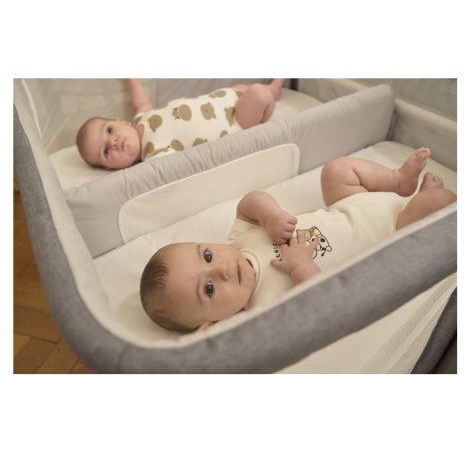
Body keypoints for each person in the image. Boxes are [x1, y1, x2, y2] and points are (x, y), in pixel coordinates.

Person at [140, 148, 457, 332]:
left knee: (335, 171)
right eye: (209, 289)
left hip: (350, 203)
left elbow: (248, 202)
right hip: (392, 232)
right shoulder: (265, 308)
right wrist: (300, 266)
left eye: (207, 256)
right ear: (213, 325)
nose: (221, 269)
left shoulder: (238, 241)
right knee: (441, 203)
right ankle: (420, 203)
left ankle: (397, 181)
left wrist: (270, 215)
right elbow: (326, 302)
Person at [76, 78, 285, 170]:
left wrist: (131, 77)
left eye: (109, 130)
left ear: (121, 121)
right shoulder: (154, 157)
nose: (112, 142)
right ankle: (273, 91)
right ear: (111, 169)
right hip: (237, 121)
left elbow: (140, 101)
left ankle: (269, 91)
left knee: (242, 88)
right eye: (105, 152)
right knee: (259, 93)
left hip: (226, 97)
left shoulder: (142, 117)